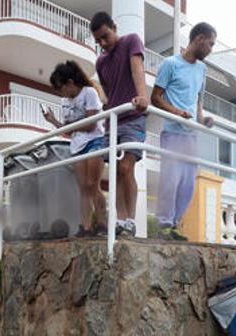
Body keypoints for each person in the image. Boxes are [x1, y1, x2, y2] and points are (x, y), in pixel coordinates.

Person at [151, 22, 217, 241]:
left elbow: (198, 101)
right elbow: (156, 97)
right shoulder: (170, 64)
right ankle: (163, 225)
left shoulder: (202, 69)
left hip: (191, 135)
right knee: (170, 180)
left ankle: (175, 225)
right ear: (198, 39)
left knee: (188, 184)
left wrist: (202, 119)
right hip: (172, 131)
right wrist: (177, 112)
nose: (211, 49)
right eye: (210, 44)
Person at [90, 11, 149, 237]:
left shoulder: (131, 40)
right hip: (113, 121)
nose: (103, 44)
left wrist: (142, 96)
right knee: (114, 174)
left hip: (133, 117)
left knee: (126, 168)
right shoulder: (101, 61)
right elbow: (108, 91)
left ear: (114, 27)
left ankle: (130, 220)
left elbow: (137, 69)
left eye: (105, 36)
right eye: (98, 41)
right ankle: (121, 221)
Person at [42, 60, 108, 236]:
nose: (60, 92)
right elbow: (68, 130)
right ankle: (85, 227)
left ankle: (102, 224)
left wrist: (73, 124)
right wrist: (53, 121)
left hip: (95, 141)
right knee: (83, 188)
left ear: (70, 83)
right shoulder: (64, 100)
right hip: (77, 146)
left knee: (93, 184)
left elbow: (91, 125)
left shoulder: (89, 93)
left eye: (60, 87)